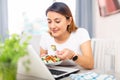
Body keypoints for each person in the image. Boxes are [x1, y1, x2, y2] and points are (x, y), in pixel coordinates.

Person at [40, 2, 94, 69]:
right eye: (49, 21)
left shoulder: (81, 33)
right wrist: (44, 58)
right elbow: (42, 60)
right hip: (54, 73)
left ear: (69, 21)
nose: (52, 26)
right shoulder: (46, 36)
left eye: (57, 21)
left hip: (77, 73)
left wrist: (72, 55)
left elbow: (90, 64)